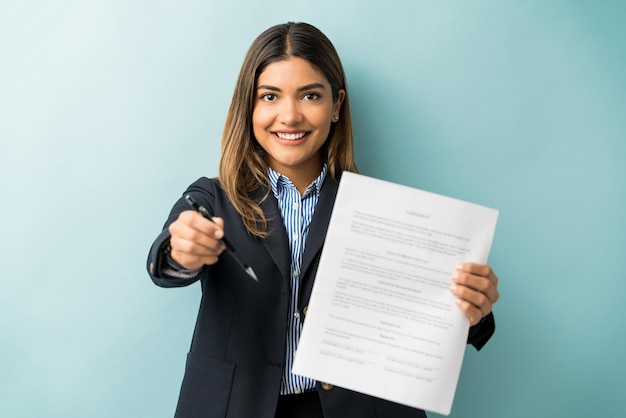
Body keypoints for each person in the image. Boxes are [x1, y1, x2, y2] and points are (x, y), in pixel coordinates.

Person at [146, 21, 500, 418]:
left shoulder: (383, 213)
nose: (290, 115)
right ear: (250, 106)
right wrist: (184, 248)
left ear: (336, 106)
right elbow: (165, 261)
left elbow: (436, 316)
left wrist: (475, 311)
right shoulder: (212, 197)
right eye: (270, 96)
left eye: (310, 95)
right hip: (239, 406)